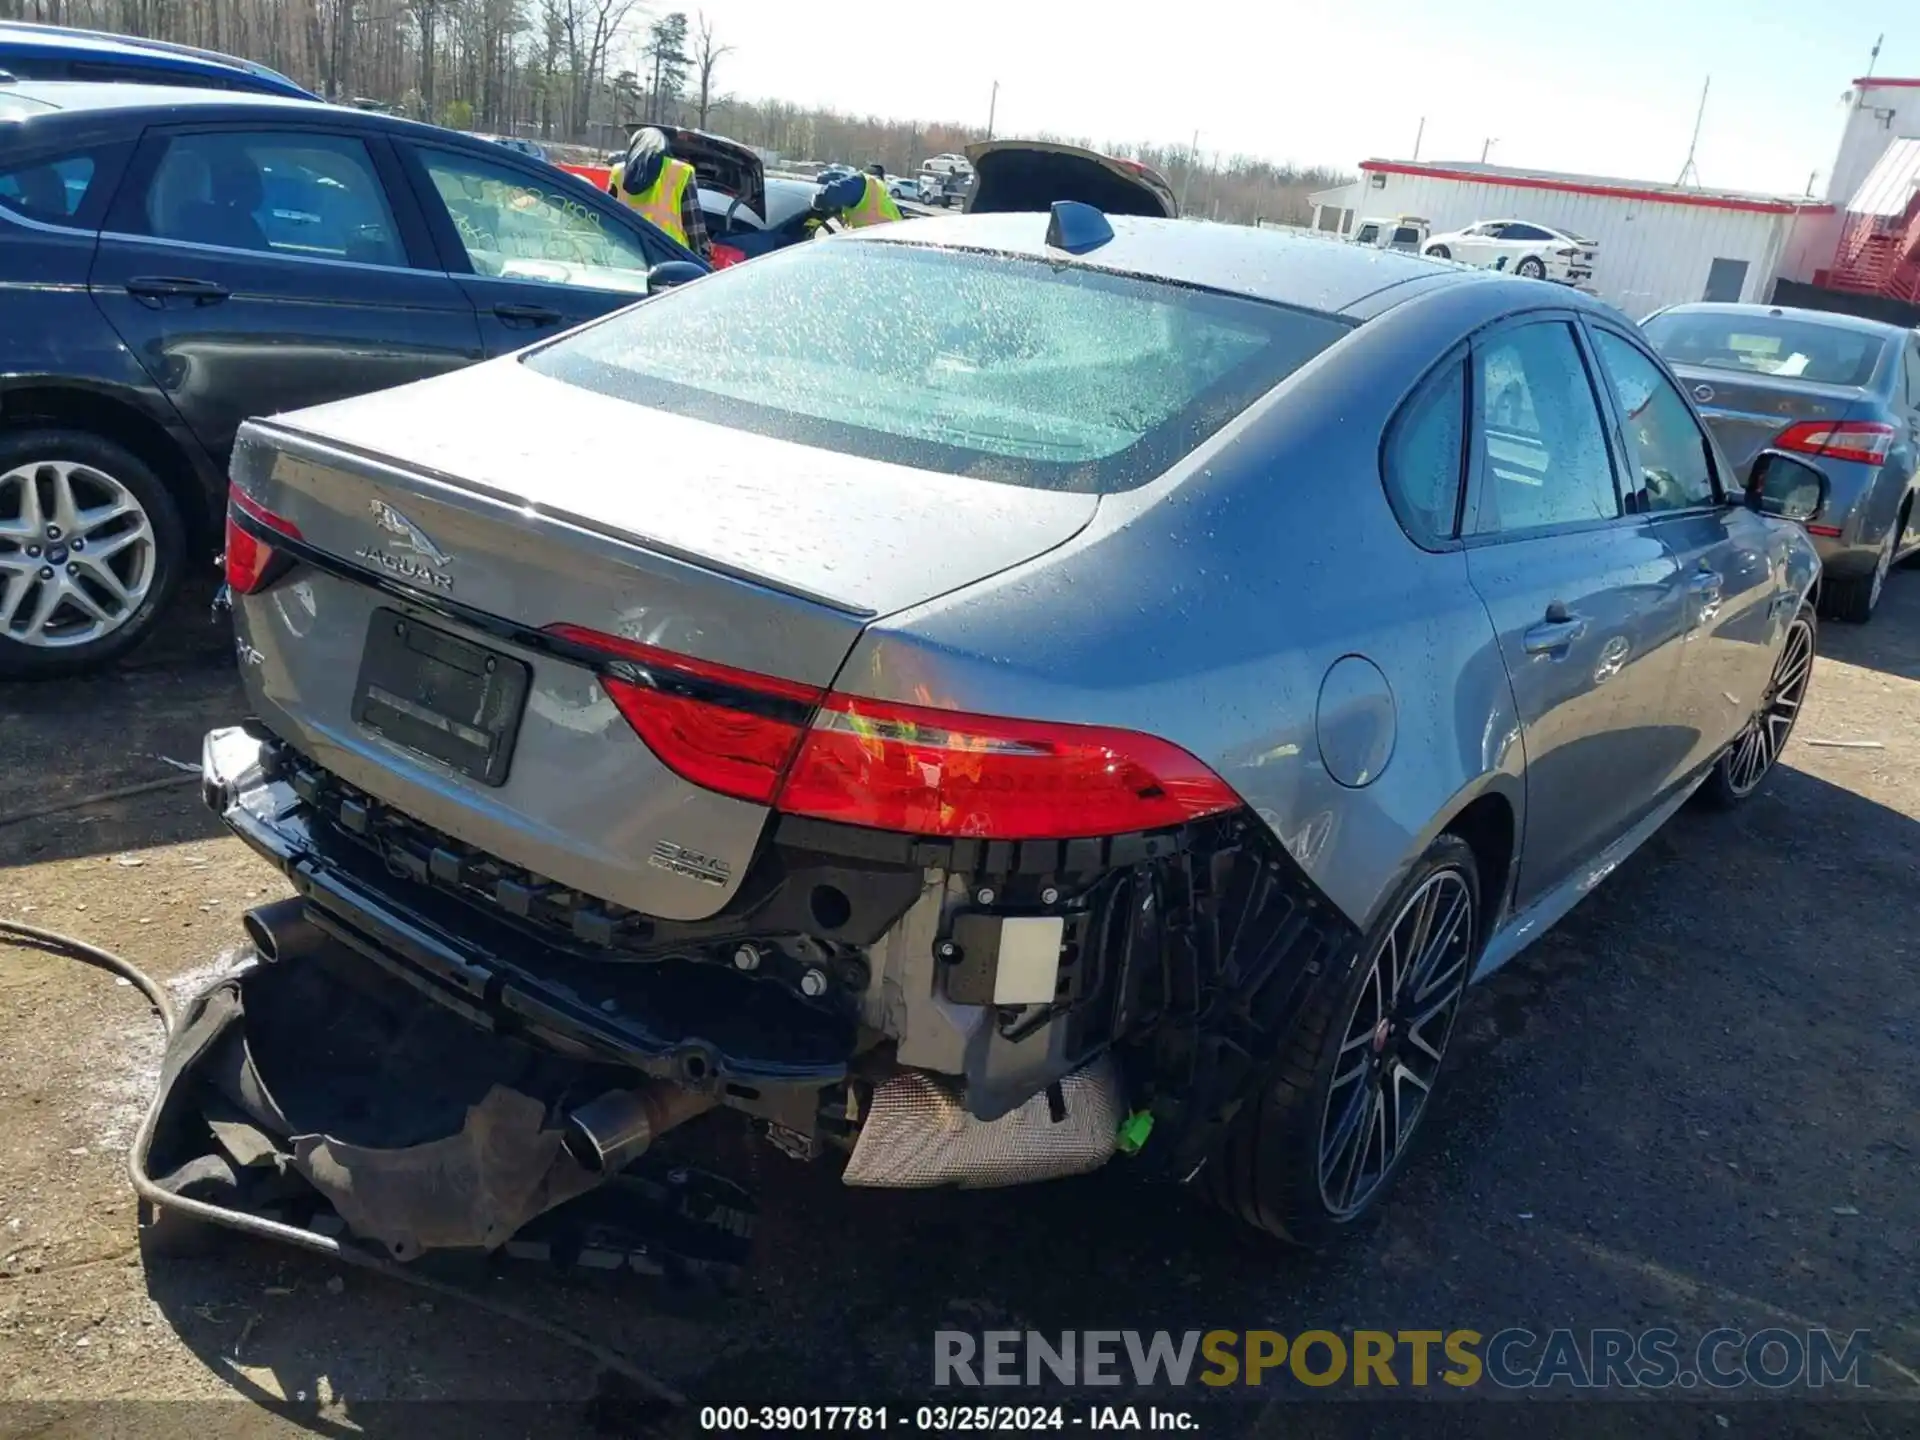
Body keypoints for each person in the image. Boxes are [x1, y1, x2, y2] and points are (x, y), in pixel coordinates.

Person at [606, 126, 710, 259]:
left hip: (625, 256)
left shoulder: (618, 172)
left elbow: (608, 218)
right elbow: (694, 226)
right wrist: (703, 257)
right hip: (670, 256)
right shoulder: (682, 172)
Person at [812, 163, 903, 229]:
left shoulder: (864, 182)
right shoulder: (886, 197)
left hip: (868, 247)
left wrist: (833, 209)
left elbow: (825, 196)